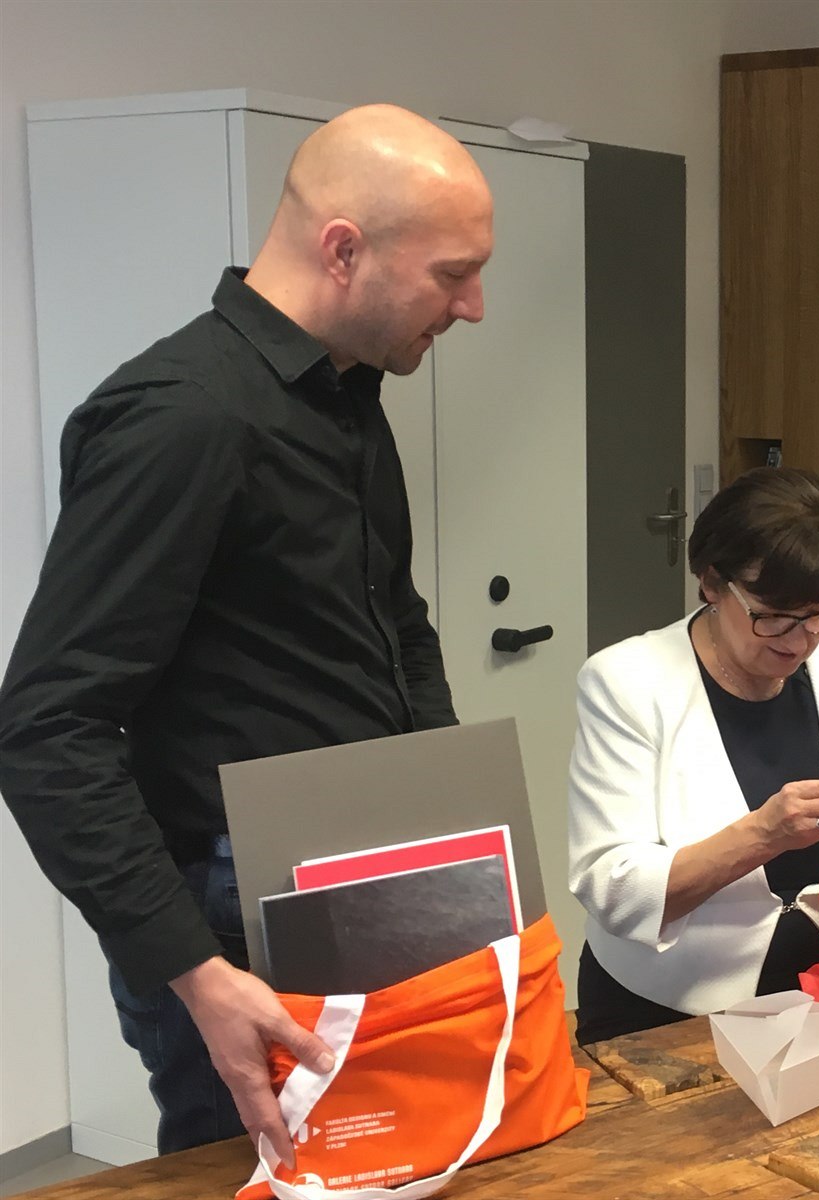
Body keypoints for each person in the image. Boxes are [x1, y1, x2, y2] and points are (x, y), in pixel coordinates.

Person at [0, 104, 494, 1163]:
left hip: (364, 869)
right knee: (259, 1175)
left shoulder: (346, 393)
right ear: (343, 250)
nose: (474, 306)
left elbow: (392, 620)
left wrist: (447, 825)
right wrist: (195, 973)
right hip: (233, 920)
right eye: (452, 275)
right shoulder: (183, 417)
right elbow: (48, 729)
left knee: (400, 1163)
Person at [567, 467, 819, 1043]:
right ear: (712, 583)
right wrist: (763, 835)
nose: (800, 639)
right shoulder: (627, 682)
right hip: (670, 1002)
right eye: (773, 615)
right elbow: (612, 887)